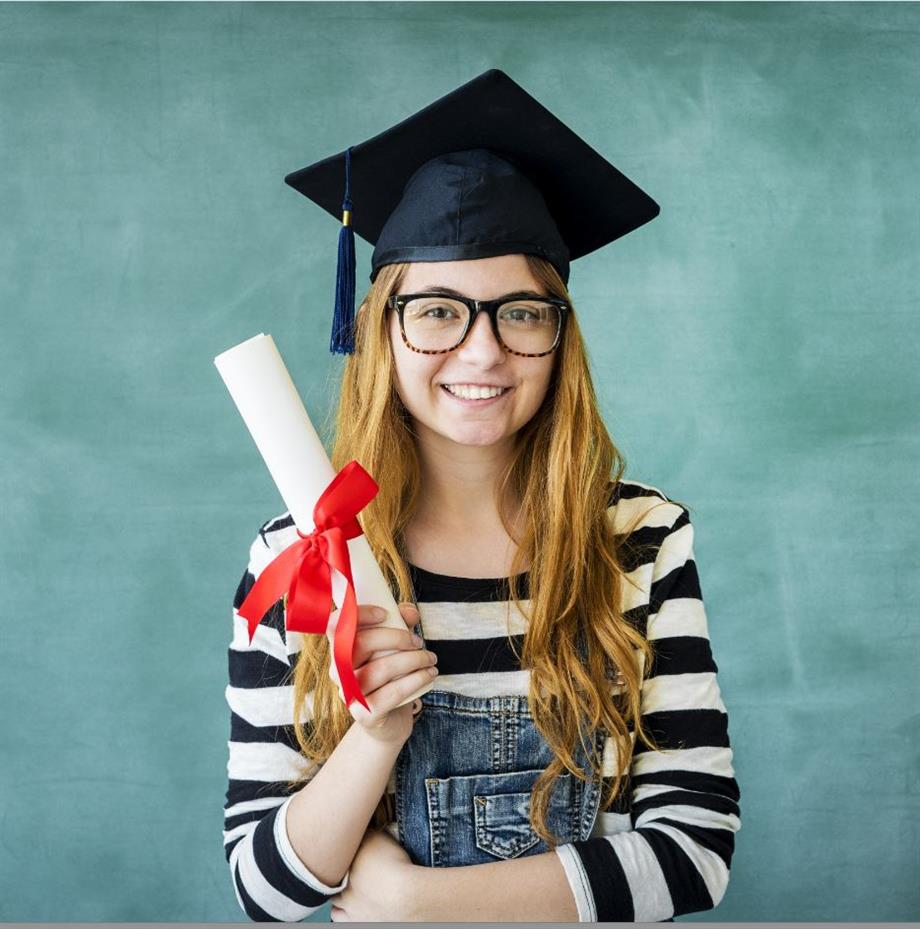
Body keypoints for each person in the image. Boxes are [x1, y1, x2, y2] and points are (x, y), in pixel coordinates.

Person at [222, 69, 741, 922]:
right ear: (382, 328)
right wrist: (377, 733)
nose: (481, 353)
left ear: (559, 332)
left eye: (521, 313)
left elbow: (694, 849)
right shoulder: (302, 560)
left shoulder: (641, 537)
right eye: (436, 310)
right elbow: (264, 887)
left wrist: (421, 902)